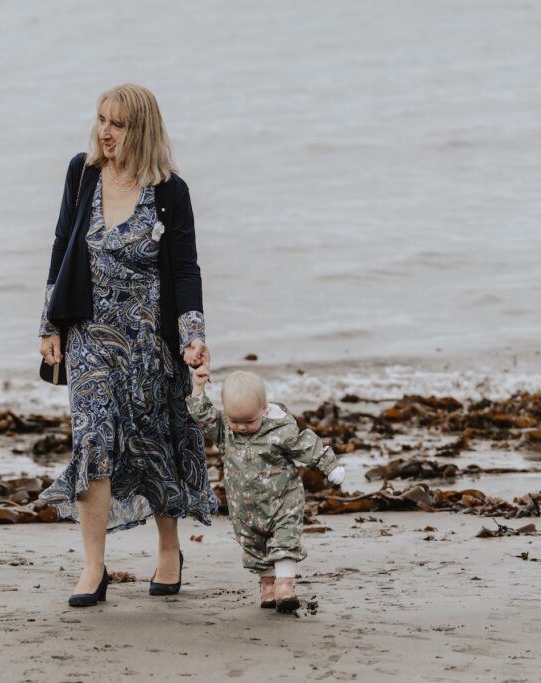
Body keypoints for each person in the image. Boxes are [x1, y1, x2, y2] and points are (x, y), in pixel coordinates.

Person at [37, 84, 218, 607]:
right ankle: (94, 566)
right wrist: (48, 324)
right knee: (92, 442)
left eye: (117, 123)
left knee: (156, 443)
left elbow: (185, 269)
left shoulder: (170, 190)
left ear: (142, 130)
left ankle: (169, 549)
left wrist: (193, 336)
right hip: (89, 336)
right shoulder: (82, 173)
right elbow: (60, 248)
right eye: (100, 120)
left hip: (151, 344)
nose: (105, 132)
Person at [186, 368, 345, 613]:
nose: (242, 427)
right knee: (255, 546)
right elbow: (202, 414)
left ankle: (285, 586)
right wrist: (198, 388)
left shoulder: (279, 431)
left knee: (284, 540)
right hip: (245, 507)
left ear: (264, 408)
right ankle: (268, 587)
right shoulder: (225, 432)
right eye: (235, 421)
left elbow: (306, 446)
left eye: (249, 421)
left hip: (283, 501)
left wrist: (329, 466)